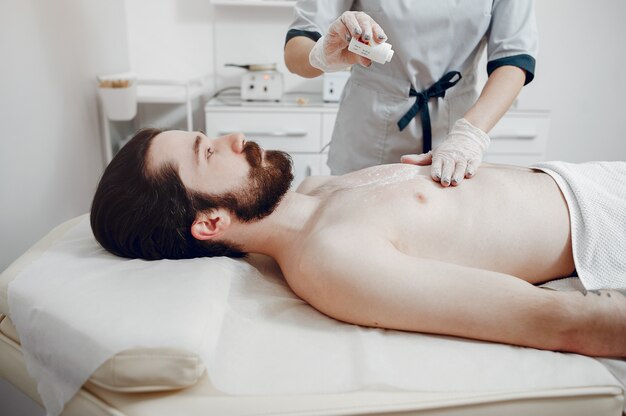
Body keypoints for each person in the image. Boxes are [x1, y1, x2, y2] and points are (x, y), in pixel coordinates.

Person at [90, 128, 626, 357]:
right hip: (606, 232)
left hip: (590, 179)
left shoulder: (319, 190)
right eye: (209, 153)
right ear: (208, 223)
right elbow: (559, 322)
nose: (235, 138)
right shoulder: (330, 262)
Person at [284, 1, 537, 187]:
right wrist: (321, 55)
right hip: (368, 133)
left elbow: (514, 59)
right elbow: (296, 48)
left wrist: (469, 135)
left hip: (456, 132)